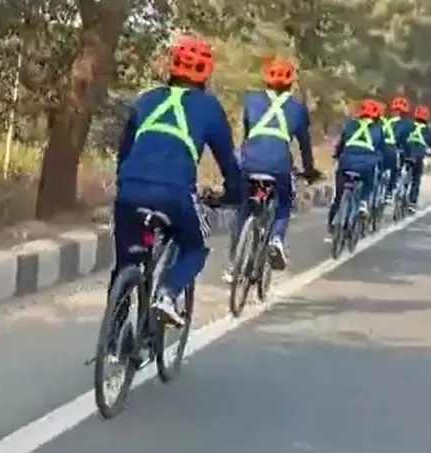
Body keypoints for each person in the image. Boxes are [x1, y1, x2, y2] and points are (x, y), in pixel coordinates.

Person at [114, 35, 242, 327]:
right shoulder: (210, 108)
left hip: (130, 190)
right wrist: (233, 194)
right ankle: (168, 295)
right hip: (174, 194)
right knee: (195, 246)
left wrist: (124, 184)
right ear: (206, 74)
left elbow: (124, 150)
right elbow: (228, 163)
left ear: (171, 69)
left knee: (126, 262)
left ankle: (112, 340)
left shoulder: (146, 99)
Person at [232, 56, 322, 271]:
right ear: (292, 82)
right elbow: (304, 146)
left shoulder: (251, 100)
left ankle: (236, 262)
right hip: (279, 165)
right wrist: (309, 170)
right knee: (283, 203)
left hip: (249, 161)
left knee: (243, 209)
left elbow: (246, 134)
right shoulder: (298, 109)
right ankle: (276, 240)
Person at [328, 98, 387, 233]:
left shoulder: (350, 125)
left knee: (339, 194)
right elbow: (384, 150)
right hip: (367, 165)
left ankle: (332, 222)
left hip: (346, 163)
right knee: (369, 183)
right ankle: (363, 203)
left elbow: (341, 145)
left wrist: (337, 155)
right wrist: (383, 165)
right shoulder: (378, 129)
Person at [402, 104, 431, 211]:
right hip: (418, 157)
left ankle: (400, 190)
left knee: (403, 169)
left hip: (406, 154)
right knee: (416, 178)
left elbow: (401, 137)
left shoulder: (409, 126)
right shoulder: (427, 130)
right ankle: (412, 202)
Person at [383, 96, 413, 201]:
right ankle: (389, 192)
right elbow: (407, 141)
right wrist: (409, 154)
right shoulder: (408, 124)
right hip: (395, 149)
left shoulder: (385, 121)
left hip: (381, 148)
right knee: (395, 169)